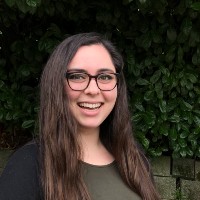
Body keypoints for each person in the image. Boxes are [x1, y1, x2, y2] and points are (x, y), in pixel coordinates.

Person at [0, 32, 160, 200]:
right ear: (56, 85)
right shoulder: (29, 165)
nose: (93, 89)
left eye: (105, 76)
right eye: (77, 76)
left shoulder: (133, 157)